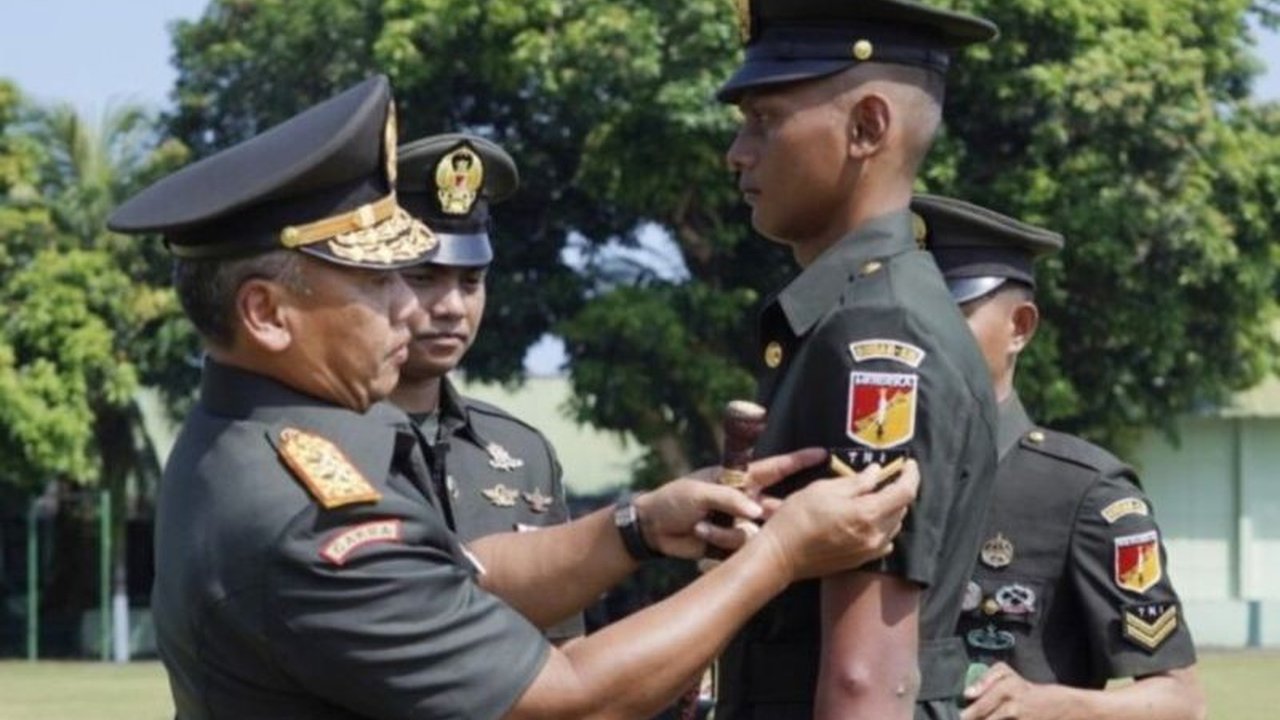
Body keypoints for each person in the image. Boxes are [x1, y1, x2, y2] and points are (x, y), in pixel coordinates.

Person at [110, 74, 923, 719]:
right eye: (378, 283)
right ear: (266, 314)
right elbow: (568, 700)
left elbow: (463, 579)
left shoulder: (248, 445)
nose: (413, 309)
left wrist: (638, 526)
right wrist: (781, 556)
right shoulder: (312, 518)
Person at [714, 1, 1001, 718]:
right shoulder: (853, 311)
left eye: (765, 119)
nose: (738, 153)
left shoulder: (877, 331)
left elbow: (863, 679)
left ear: (868, 128)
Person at [913, 194, 1206, 720]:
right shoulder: (865, 475)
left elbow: (1180, 702)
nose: (926, 335)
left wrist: (1048, 704)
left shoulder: (1086, 494)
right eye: (914, 314)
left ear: (1020, 327)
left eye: (951, 315)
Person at [390, 133, 583, 642]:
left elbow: (564, 648)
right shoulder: (321, 441)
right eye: (422, 278)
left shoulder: (524, 452)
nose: (452, 306)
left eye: (470, 281)